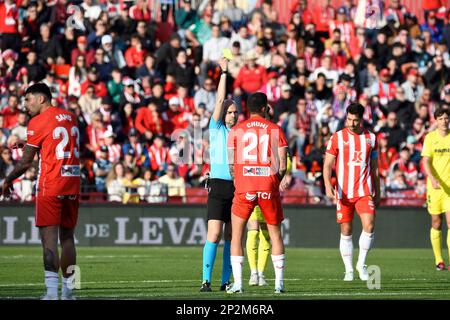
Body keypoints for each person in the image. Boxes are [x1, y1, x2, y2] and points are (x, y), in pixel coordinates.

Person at [1, 83, 80, 300]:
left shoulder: (37, 121)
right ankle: (69, 292)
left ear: (41, 99)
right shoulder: (70, 117)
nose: (25, 105)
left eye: (28, 100)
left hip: (51, 185)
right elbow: (55, 139)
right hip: (72, 182)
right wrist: (29, 143)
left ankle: (52, 293)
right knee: (68, 239)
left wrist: (7, 180)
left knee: (49, 240)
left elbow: (26, 164)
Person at [227, 92, 288, 294]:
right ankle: (279, 284)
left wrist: (239, 180)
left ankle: (238, 284)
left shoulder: (236, 130)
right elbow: (282, 165)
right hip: (267, 186)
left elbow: (231, 164)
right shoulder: (275, 129)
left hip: (244, 186)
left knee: (237, 235)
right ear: (264, 108)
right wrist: (274, 181)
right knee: (275, 235)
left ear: (247, 108)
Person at [323, 103, 381, 282]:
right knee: (346, 230)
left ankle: (361, 264)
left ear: (361, 119)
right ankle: (348, 269)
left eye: (355, 120)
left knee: (369, 224)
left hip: (364, 190)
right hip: (344, 192)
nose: (351, 123)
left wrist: (377, 190)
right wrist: (327, 184)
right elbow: (327, 164)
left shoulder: (371, 138)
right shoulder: (337, 137)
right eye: (349, 119)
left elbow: (375, 168)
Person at [200, 57, 238, 292]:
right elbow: (221, 98)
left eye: (236, 112)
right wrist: (224, 72)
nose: (233, 115)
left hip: (237, 187)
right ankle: (206, 280)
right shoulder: (216, 128)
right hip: (218, 186)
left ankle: (225, 282)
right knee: (213, 235)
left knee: (231, 237)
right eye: (230, 112)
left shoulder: (241, 133)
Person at [246, 103, 292, 287]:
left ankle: (261, 273)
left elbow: (286, 163)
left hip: (266, 189)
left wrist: (285, 176)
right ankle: (253, 273)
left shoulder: (275, 136)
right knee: (253, 230)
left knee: (265, 234)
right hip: (260, 187)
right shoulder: (265, 136)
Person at [421, 108, 450, 270]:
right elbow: (425, 161)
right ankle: (439, 260)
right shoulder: (430, 138)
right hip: (435, 187)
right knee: (436, 222)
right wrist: (432, 179)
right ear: (436, 121)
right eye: (440, 119)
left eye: (446, 118)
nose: (444, 121)